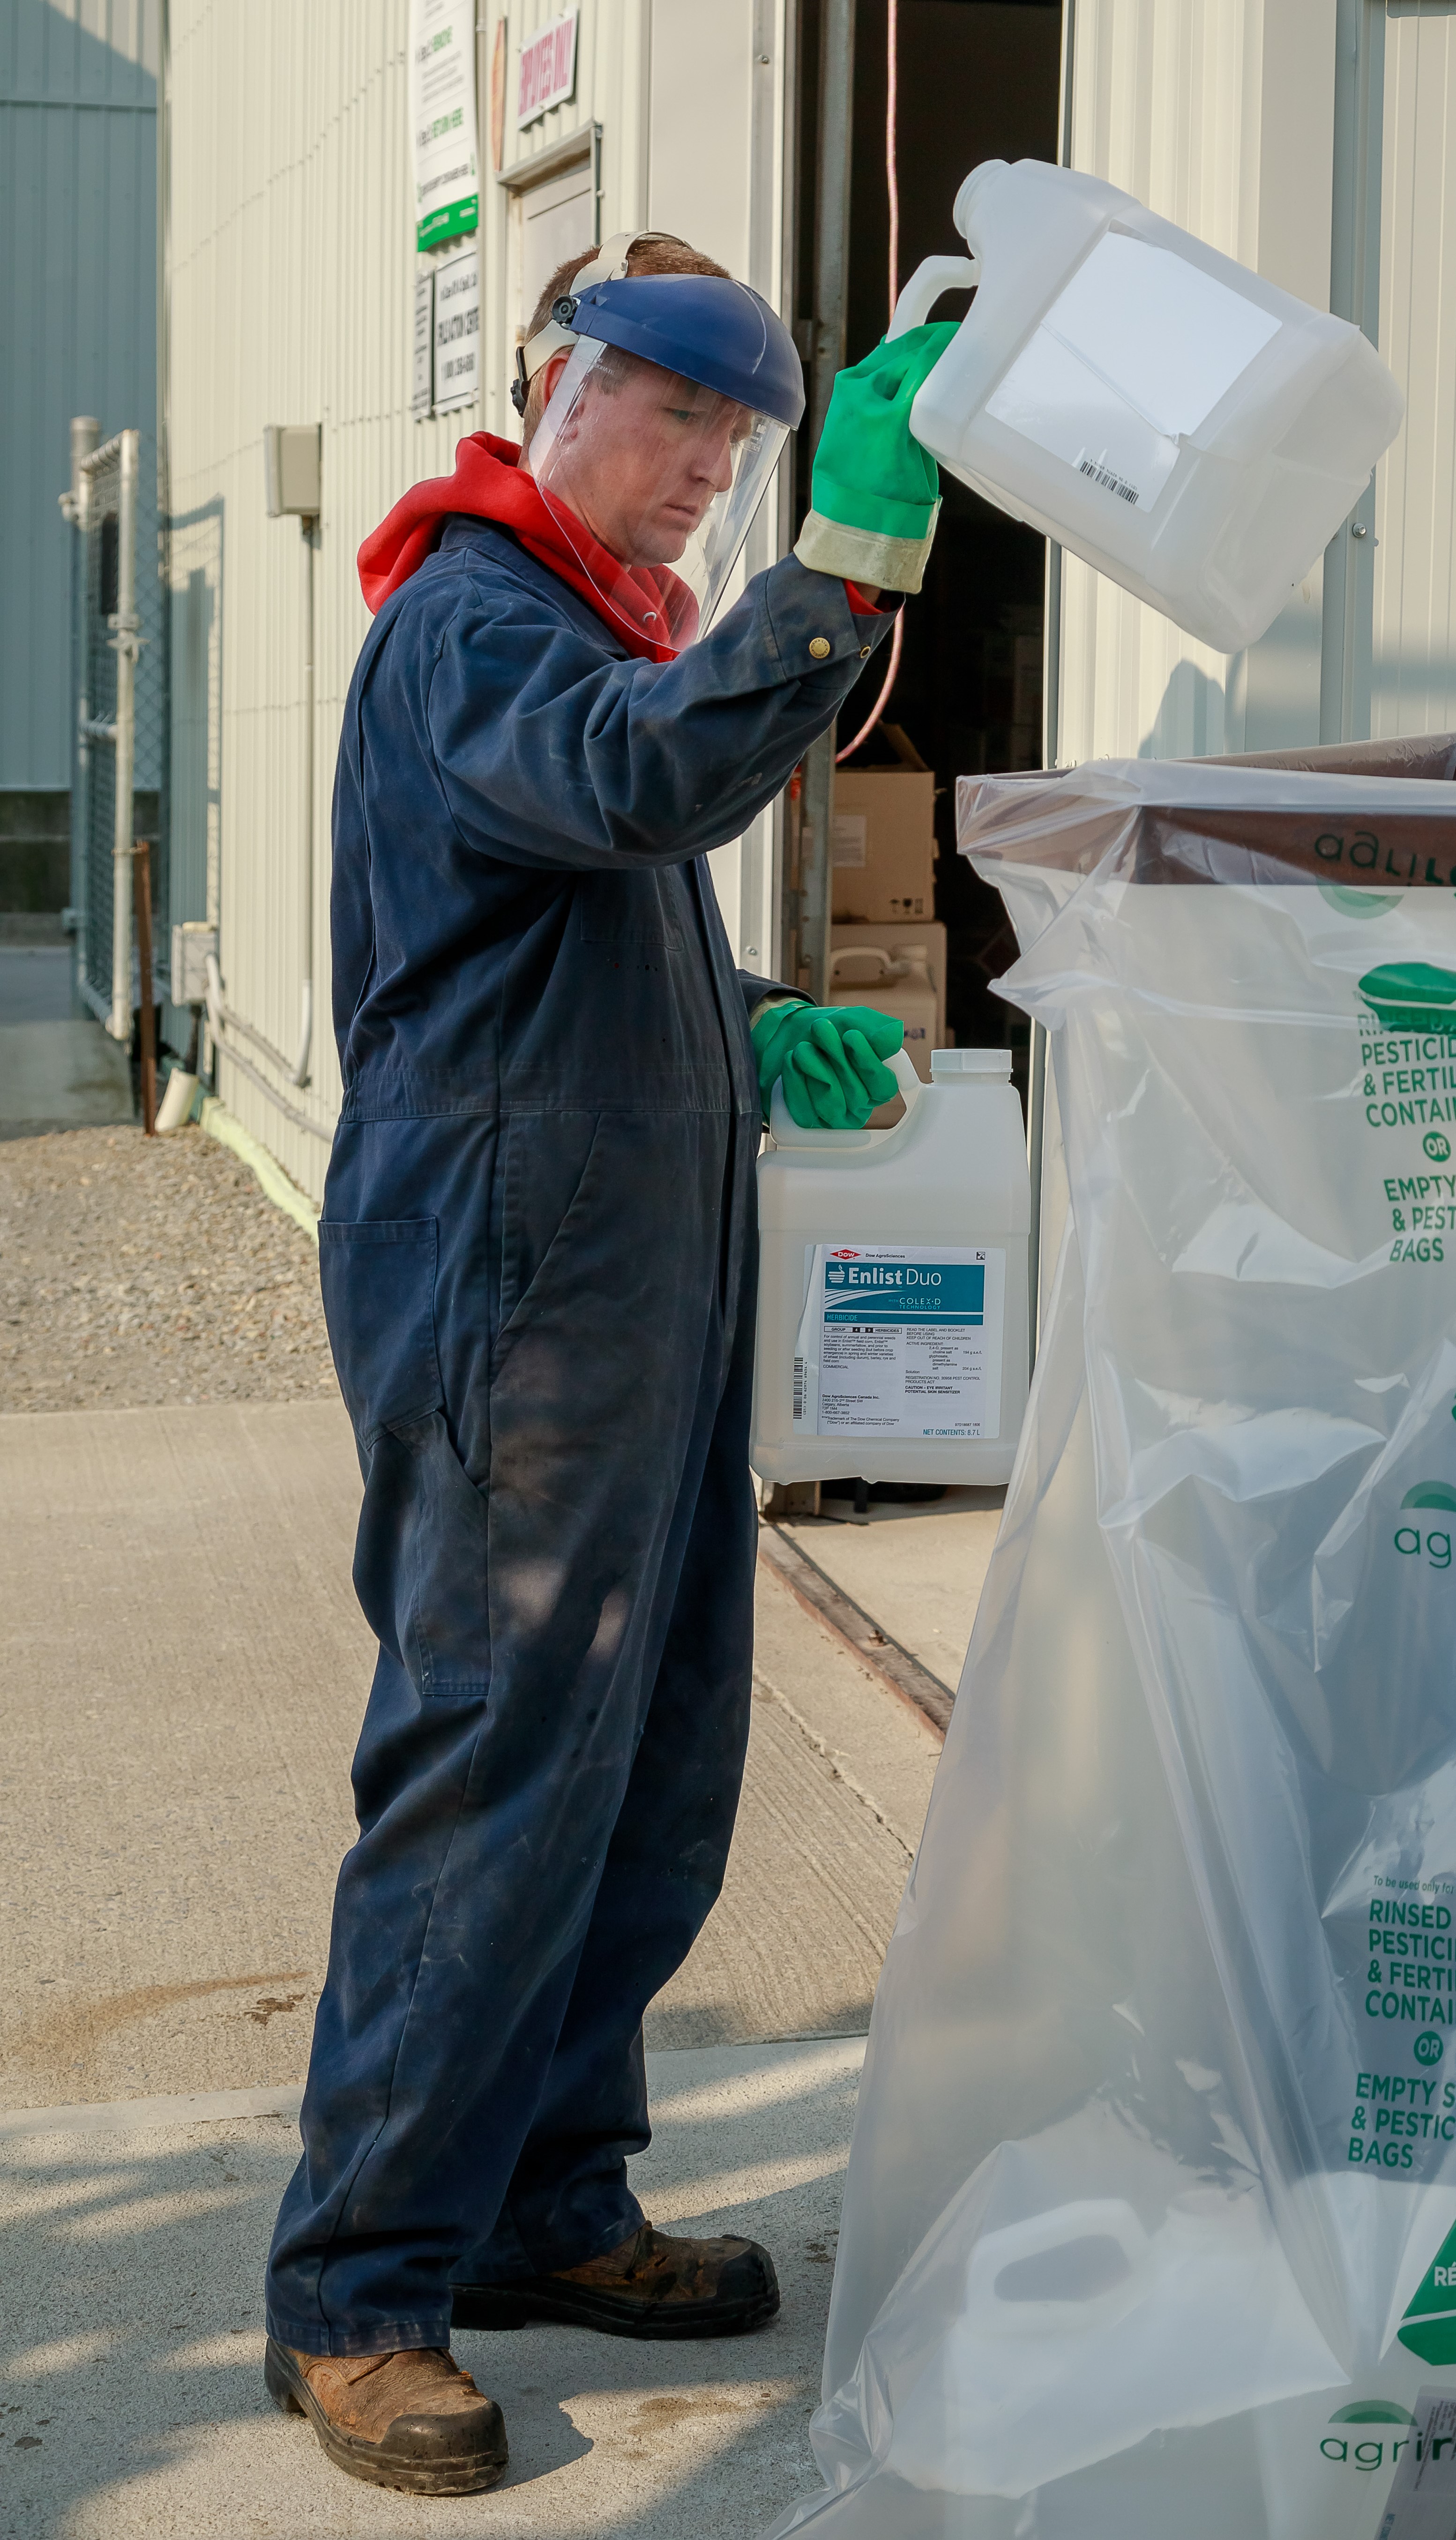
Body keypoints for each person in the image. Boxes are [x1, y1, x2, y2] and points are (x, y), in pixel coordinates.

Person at [261, 230, 957, 2497]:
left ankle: (551, 2199)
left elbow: (552, 929)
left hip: (628, 1300)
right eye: (665, 415)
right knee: (489, 1764)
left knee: (646, 1767)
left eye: (737, 444)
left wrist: (762, 1026)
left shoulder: (587, 630)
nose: (697, 471)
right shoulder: (473, 617)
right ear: (554, 383)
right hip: (512, 1303)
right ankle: (360, 2289)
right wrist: (849, 556)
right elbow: (642, 783)